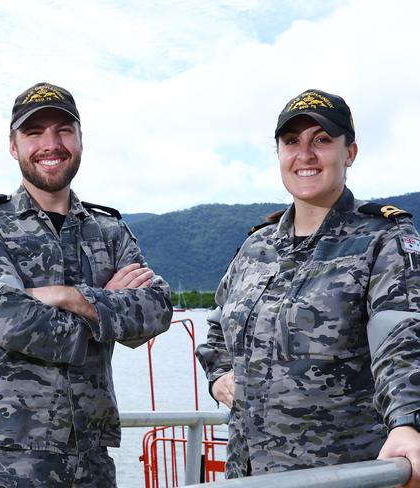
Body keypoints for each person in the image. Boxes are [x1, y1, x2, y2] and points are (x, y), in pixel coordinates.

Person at [196, 89, 420, 485]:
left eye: (321, 140)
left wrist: (406, 422)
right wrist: (220, 375)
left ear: (348, 153)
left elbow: (402, 337)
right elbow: (217, 327)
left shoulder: (382, 239)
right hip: (247, 473)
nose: (305, 154)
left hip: (339, 472)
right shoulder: (256, 246)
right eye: (291, 142)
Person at [0, 82, 173, 487]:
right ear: (13, 145)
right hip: (5, 457)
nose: (50, 144)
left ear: (80, 139)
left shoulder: (109, 229)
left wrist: (69, 297)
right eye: (34, 132)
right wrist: (106, 311)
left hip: (90, 457)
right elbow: (3, 320)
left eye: (63, 130)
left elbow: (158, 309)